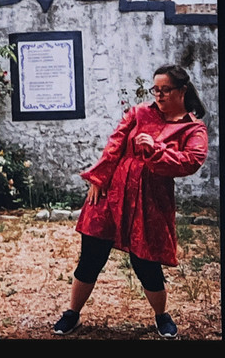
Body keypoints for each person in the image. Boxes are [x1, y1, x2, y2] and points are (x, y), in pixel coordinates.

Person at [53, 65, 209, 340]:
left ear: (182, 90)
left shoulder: (192, 128)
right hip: (111, 191)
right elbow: (114, 145)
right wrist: (98, 179)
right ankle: (72, 313)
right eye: (155, 90)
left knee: (146, 261)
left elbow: (191, 161)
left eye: (165, 90)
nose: (158, 96)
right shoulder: (139, 113)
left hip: (150, 200)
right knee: (91, 255)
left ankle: (161, 316)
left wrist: (157, 149)